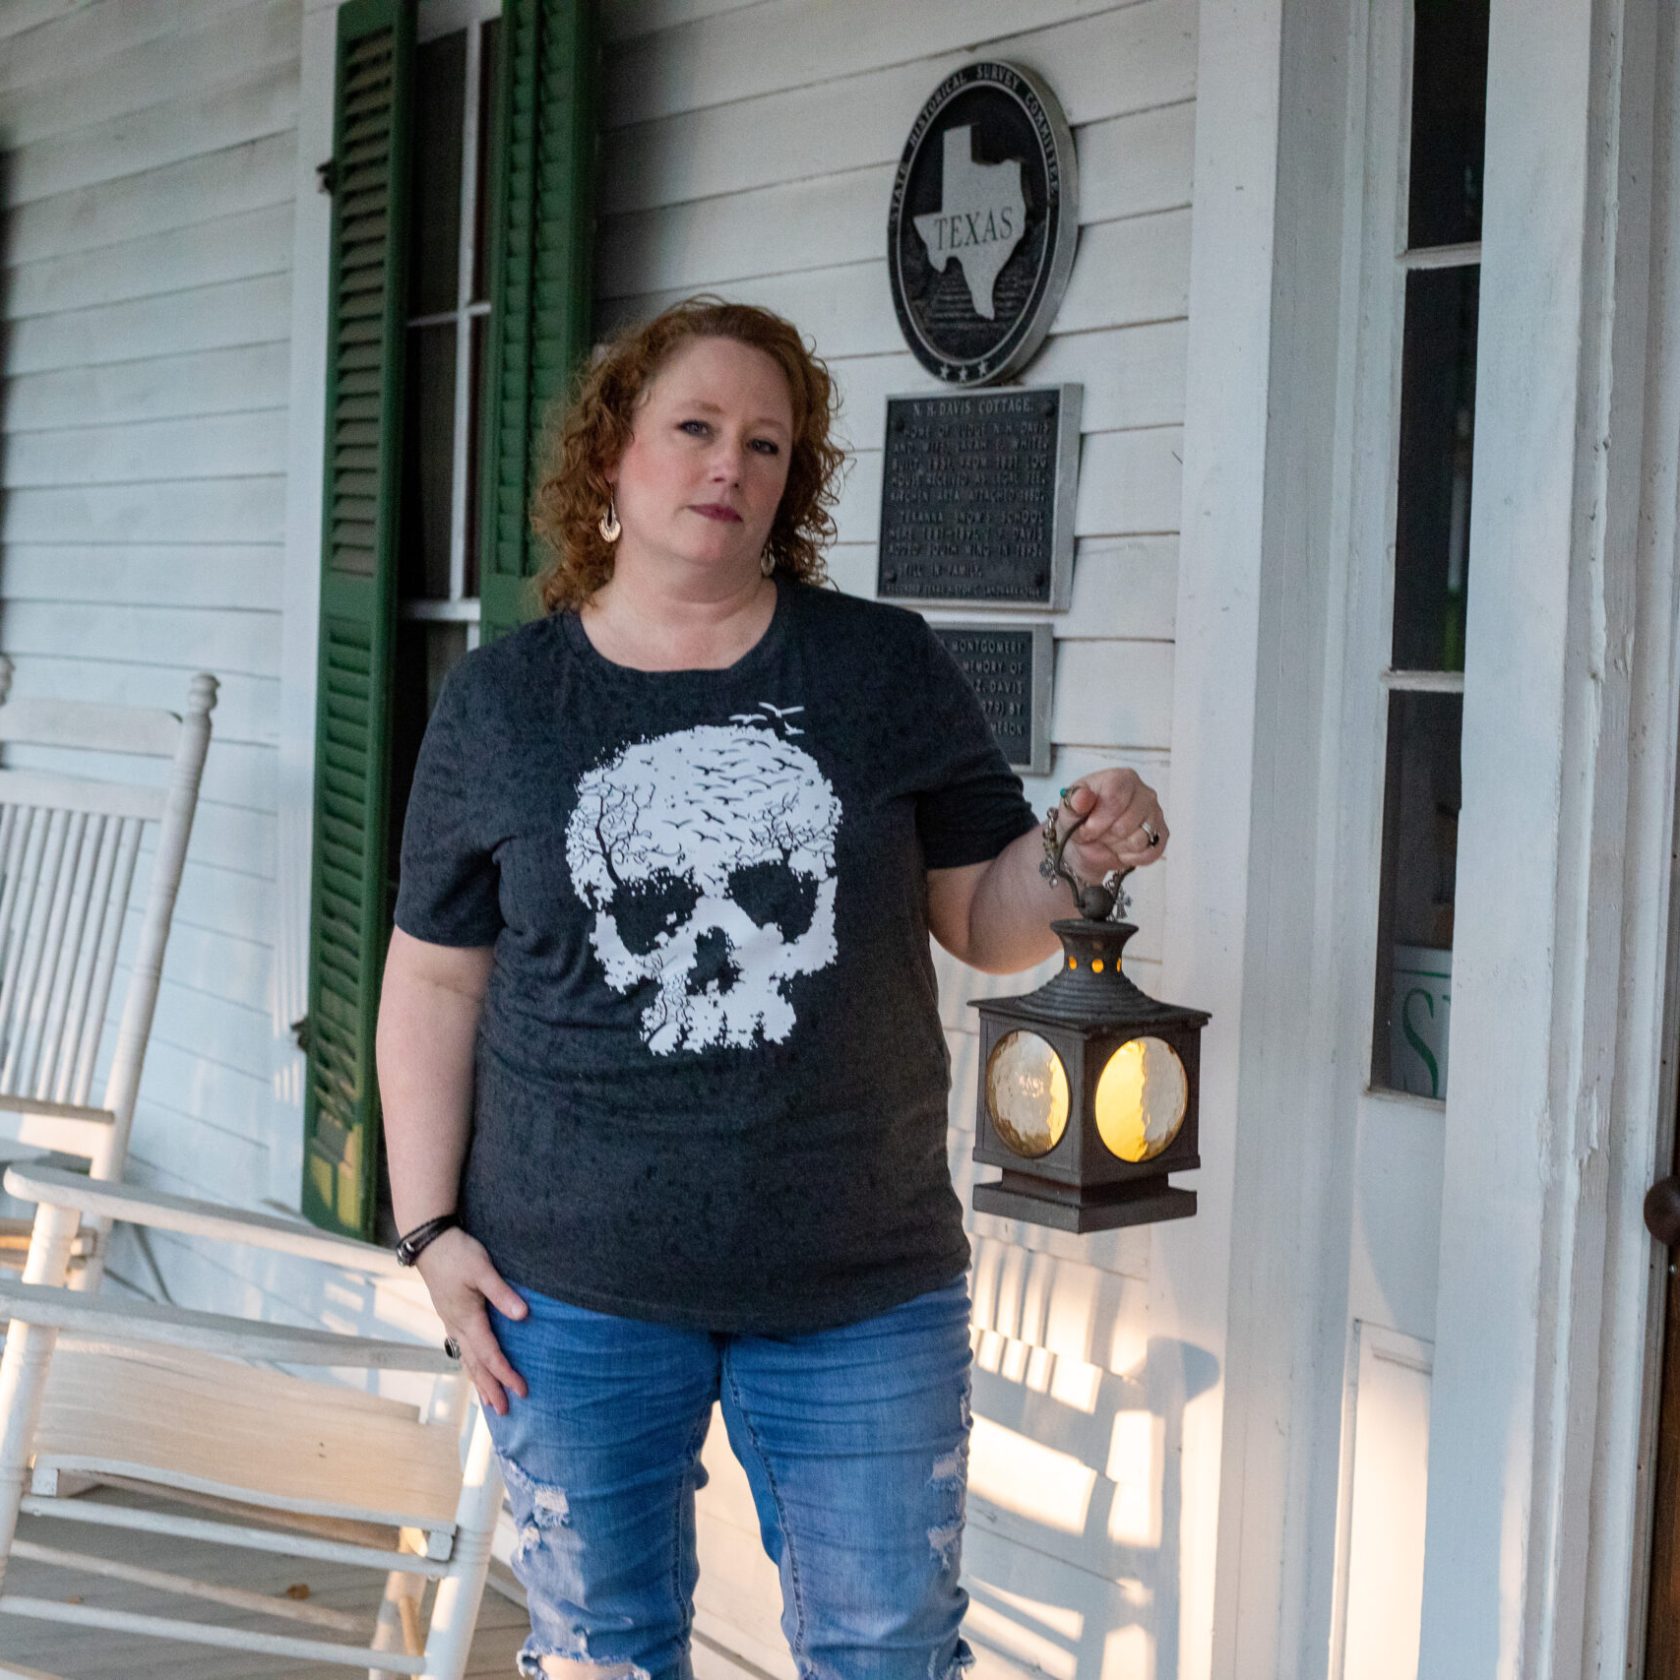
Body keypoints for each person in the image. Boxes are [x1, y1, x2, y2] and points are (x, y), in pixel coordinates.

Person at [376, 297, 1168, 1680]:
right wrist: (429, 1229)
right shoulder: (503, 705)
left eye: (765, 442)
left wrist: (1073, 861)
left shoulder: (879, 667)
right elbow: (437, 980)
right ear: (612, 453)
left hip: (861, 1280)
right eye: (694, 427)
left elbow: (980, 920)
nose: (728, 465)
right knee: (604, 1653)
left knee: (887, 1653)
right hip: (573, 1286)